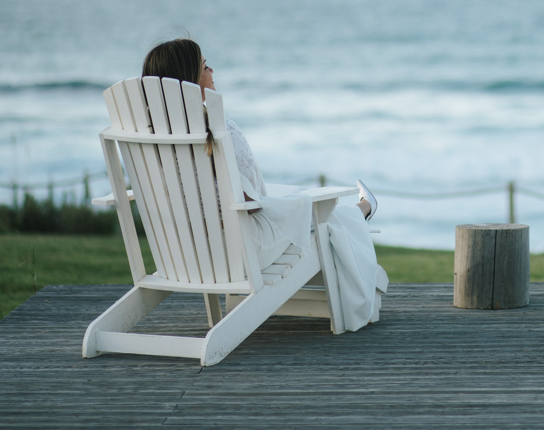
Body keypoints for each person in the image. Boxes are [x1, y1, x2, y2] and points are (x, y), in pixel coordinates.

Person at [141, 38, 384, 332]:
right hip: (243, 254)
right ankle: (363, 208)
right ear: (189, 82)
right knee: (322, 216)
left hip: (182, 254)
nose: (212, 69)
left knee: (306, 206)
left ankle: (362, 208)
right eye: (205, 66)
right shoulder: (222, 132)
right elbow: (254, 204)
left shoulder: (149, 144)